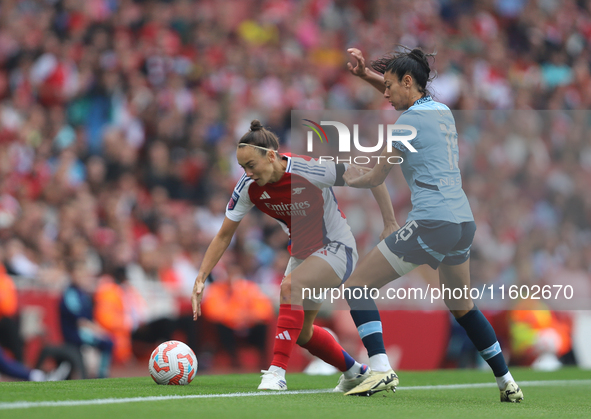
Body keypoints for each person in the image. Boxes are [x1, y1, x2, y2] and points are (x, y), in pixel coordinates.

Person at [338, 46, 524, 402]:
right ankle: (506, 382)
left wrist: (341, 176)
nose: (386, 94)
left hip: (431, 222)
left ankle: (379, 369)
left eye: (390, 86)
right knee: (463, 306)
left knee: (357, 286)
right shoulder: (442, 111)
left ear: (408, 82)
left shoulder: (405, 124)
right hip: (462, 222)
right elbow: (409, 101)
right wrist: (366, 75)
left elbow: (377, 175)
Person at [191, 120, 398, 391]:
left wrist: (390, 222)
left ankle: (276, 372)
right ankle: (355, 372)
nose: (247, 173)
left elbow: (371, 176)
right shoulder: (248, 188)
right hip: (303, 255)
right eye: (242, 167)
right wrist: (201, 277)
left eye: (251, 165)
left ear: (272, 156)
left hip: (337, 246)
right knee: (302, 333)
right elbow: (223, 235)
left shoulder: (309, 168)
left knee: (289, 286)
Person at [59, 260, 113, 378]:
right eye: (79, 273)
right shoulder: (70, 294)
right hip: (74, 332)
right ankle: (101, 375)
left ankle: (100, 373)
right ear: (72, 274)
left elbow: (89, 318)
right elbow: (79, 321)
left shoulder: (82, 294)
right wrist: (97, 331)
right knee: (107, 342)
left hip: (83, 330)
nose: (82, 277)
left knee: (108, 339)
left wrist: (99, 329)